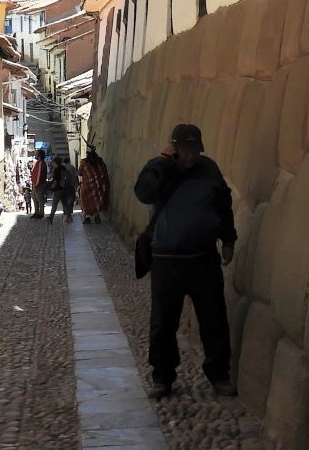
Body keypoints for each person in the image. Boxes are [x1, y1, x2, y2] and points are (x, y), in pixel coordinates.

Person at [133, 123, 237, 399]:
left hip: (203, 258)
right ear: (175, 148)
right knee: (163, 323)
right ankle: (162, 377)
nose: (192, 156)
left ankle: (219, 375)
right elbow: (143, 194)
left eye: (195, 151)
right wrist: (163, 162)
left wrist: (228, 239)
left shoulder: (209, 169)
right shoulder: (158, 168)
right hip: (167, 260)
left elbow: (223, 206)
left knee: (214, 319)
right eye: (187, 151)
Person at [79, 149, 110, 224]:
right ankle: (97, 217)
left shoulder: (84, 163)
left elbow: (80, 173)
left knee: (85, 201)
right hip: (98, 186)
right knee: (97, 200)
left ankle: (87, 217)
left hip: (86, 186)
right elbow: (105, 173)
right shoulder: (101, 163)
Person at [46, 154, 75, 223]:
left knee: (54, 204)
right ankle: (69, 218)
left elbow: (56, 180)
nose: (52, 164)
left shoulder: (57, 170)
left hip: (58, 189)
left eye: (53, 162)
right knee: (65, 204)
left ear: (55, 163)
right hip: (64, 188)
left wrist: (52, 187)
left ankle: (51, 217)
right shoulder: (63, 168)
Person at [29, 150, 49, 219]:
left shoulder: (41, 163)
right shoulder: (38, 163)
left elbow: (39, 174)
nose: (35, 154)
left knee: (40, 199)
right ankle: (36, 212)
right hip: (36, 183)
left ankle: (41, 213)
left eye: (36, 153)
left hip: (39, 184)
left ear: (39, 155)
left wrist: (36, 184)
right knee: (34, 198)